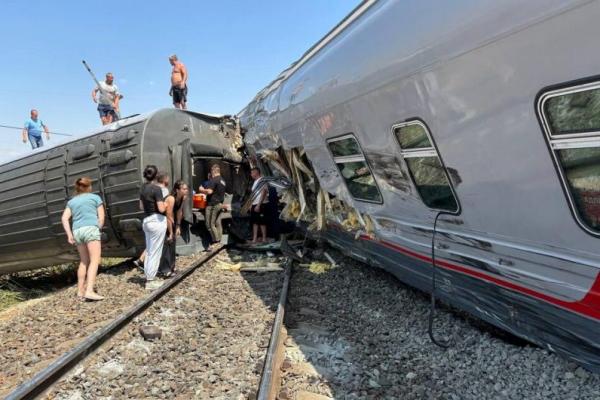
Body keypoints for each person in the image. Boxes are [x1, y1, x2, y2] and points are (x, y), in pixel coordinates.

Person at [61, 177, 105, 301]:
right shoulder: (95, 198)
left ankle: (80, 291)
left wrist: (69, 234)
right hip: (91, 228)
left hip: (77, 231)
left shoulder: (72, 202)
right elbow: (101, 218)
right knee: (95, 260)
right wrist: (98, 229)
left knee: (84, 261)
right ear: (89, 187)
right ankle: (89, 291)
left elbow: (64, 218)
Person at [139, 165, 167, 289]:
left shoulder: (142, 188)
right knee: (155, 251)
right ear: (156, 176)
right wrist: (167, 203)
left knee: (150, 251)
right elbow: (161, 208)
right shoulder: (156, 189)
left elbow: (141, 207)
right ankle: (150, 280)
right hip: (157, 221)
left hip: (146, 221)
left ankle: (148, 277)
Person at [158, 180, 189, 276]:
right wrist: (171, 232)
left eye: (186, 189)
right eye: (184, 189)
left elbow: (179, 211)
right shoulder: (171, 198)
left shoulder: (183, 197)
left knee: (173, 243)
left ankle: (172, 267)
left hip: (171, 220)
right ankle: (164, 270)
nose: (186, 190)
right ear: (177, 190)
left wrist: (178, 226)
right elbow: (168, 214)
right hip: (162, 220)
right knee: (167, 243)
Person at [198, 164, 226, 249]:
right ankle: (219, 240)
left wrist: (201, 190)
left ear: (213, 171)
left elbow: (209, 192)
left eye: (211, 172)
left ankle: (216, 241)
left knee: (209, 224)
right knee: (217, 223)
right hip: (220, 204)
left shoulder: (214, 180)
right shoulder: (222, 180)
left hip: (212, 205)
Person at [250, 167, 269, 243]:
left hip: (261, 204)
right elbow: (254, 194)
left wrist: (258, 205)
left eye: (252, 173)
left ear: (256, 172)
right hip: (255, 204)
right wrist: (251, 204)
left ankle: (264, 238)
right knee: (255, 222)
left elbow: (263, 192)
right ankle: (254, 239)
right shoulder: (255, 182)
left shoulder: (262, 180)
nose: (251, 174)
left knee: (262, 222)